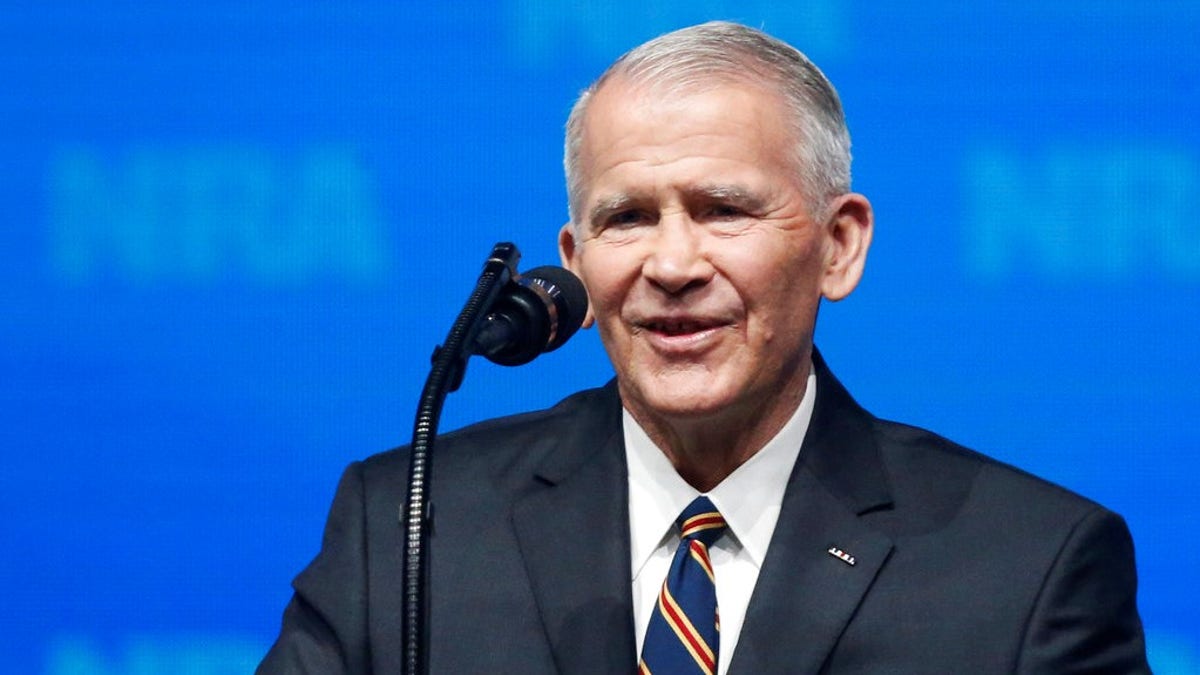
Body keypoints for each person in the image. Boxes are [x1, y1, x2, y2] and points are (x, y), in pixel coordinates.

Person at [260, 21, 1149, 674]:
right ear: (573, 266)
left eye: (725, 210)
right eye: (627, 218)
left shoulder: (1031, 565)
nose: (673, 263)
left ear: (839, 245)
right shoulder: (409, 528)